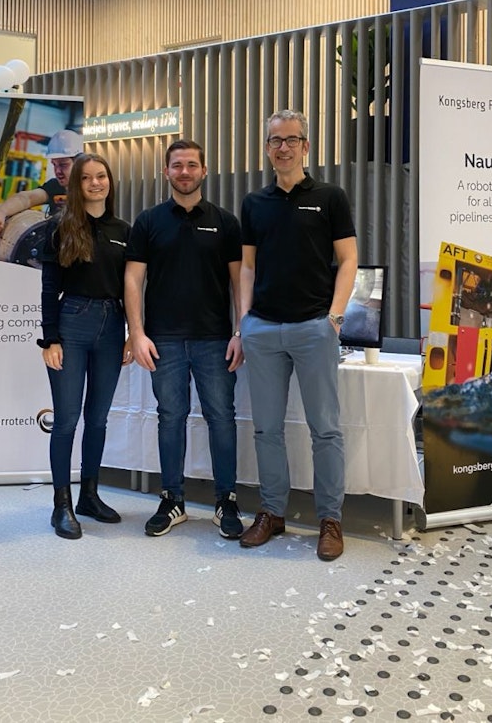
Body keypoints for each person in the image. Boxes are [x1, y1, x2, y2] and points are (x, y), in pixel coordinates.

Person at [239, 110, 358, 561]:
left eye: (292, 140)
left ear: (306, 146)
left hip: (313, 328)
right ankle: (272, 512)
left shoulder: (330, 197)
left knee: (324, 429)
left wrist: (334, 317)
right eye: (275, 140)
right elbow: (247, 267)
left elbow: (348, 260)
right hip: (263, 329)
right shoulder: (255, 203)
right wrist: (244, 322)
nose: (283, 147)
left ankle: (330, 519)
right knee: (266, 429)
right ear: (267, 148)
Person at [125, 139, 244, 539]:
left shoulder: (226, 222)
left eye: (192, 165)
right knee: (170, 419)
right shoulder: (148, 221)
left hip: (215, 340)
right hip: (164, 341)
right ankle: (172, 499)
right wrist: (137, 333)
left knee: (221, 418)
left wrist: (240, 332)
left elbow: (240, 282)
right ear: (166, 171)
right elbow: (133, 279)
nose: (185, 172)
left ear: (204, 171)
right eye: (177, 165)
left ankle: (226, 500)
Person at [39, 152, 133, 540]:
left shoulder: (124, 230)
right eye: (87, 178)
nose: (96, 183)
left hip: (112, 326)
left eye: (101, 176)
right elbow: (49, 287)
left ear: (110, 182)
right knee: (66, 419)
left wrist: (132, 333)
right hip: (72, 323)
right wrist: (50, 339)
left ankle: (89, 496)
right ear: (76, 185)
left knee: (98, 419)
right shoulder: (60, 227)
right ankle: (61, 504)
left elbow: (132, 287)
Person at [0, 128, 83, 235]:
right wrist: (0, 211)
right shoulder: (55, 186)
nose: (57, 171)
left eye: (63, 165)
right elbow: (27, 198)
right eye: (54, 165)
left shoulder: (89, 190)